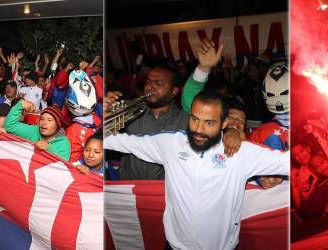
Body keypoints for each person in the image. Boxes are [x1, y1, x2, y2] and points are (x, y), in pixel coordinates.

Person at [105, 90, 289, 249]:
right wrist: (105, 116)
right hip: (175, 246)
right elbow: (120, 142)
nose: (199, 129)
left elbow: (292, 162)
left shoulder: (242, 152)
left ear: (224, 123)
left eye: (209, 123)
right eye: (195, 119)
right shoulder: (171, 143)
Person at [4, 99, 70, 160]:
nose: (44, 123)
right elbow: (10, 126)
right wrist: (20, 105)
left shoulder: (64, 143)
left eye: (49, 120)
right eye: (42, 119)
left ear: (58, 124)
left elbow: (63, 167)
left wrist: (49, 149)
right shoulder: (34, 130)